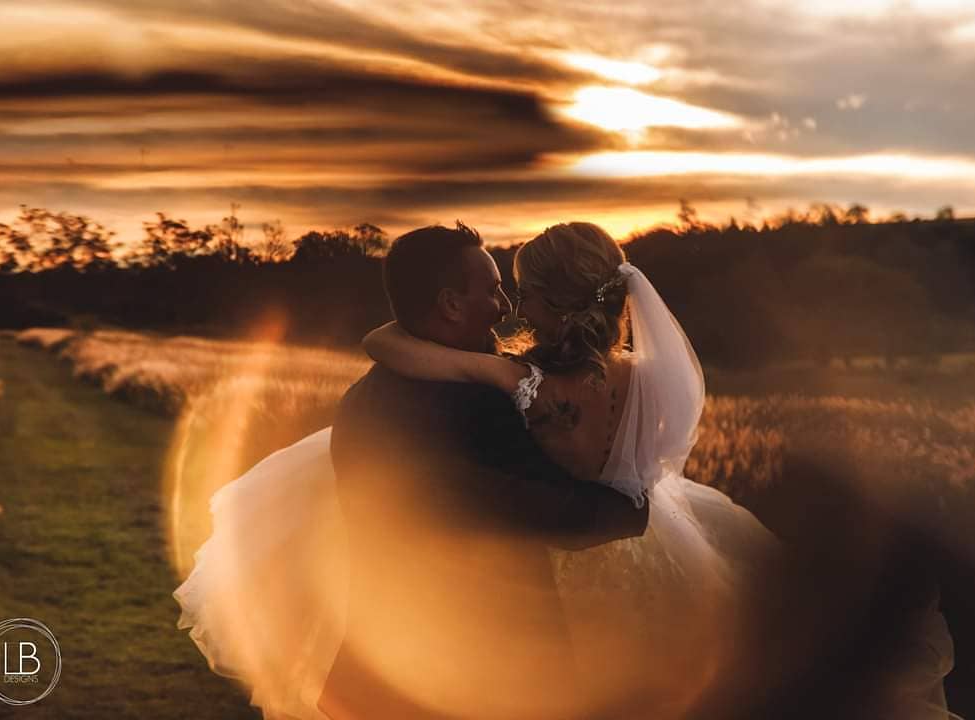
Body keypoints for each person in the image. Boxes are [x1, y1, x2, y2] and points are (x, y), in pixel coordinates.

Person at [361, 221, 964, 719]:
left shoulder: (523, 382)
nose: (512, 308)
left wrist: (489, 369)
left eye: (523, 293)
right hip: (655, 542)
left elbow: (387, 343)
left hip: (566, 568)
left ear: (557, 301)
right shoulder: (644, 376)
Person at [173, 222, 648, 720]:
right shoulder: (472, 406)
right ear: (449, 305)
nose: (506, 308)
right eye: (493, 291)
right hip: (451, 675)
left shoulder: (375, 391)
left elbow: (385, 341)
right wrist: (631, 510)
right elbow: (533, 508)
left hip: (388, 668)